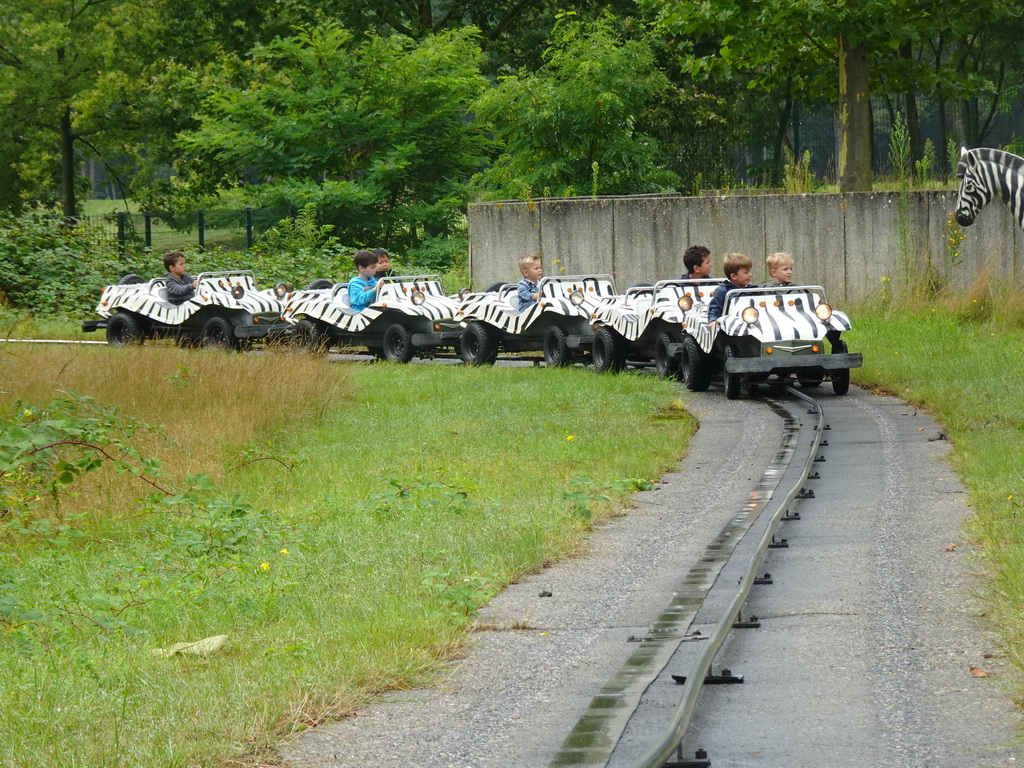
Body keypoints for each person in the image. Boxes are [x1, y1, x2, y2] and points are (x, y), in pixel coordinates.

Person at [707, 252, 753, 323]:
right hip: (730, 327)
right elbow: (715, 309)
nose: (750, 275)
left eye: (749, 271)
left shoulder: (752, 290)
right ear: (733, 276)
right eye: (746, 272)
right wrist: (713, 320)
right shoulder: (723, 291)